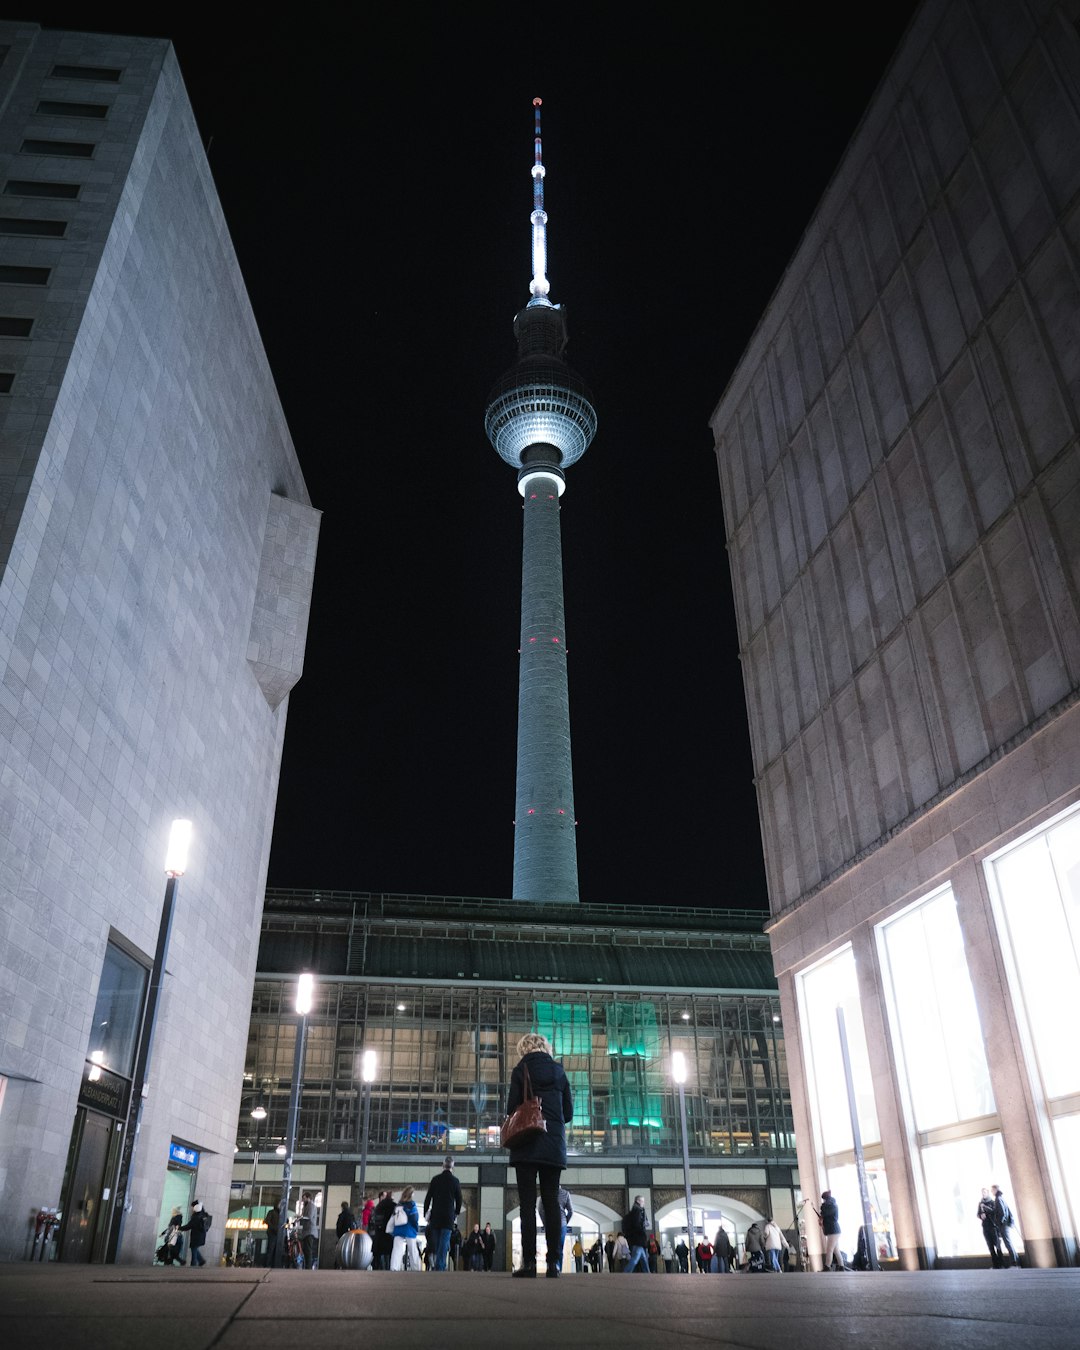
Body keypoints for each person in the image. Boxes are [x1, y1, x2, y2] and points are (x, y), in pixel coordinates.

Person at [505, 1032, 573, 1278]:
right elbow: (568, 1112)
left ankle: (530, 1264)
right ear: (546, 1047)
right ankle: (554, 1264)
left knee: (526, 1205)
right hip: (553, 1144)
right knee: (552, 1201)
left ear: (524, 1049)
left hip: (526, 1143)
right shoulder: (559, 1071)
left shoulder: (520, 1070)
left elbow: (512, 1108)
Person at [423, 1155, 463, 1272]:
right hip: (448, 1217)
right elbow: (459, 1199)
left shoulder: (435, 1179)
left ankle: (438, 1264)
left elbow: (428, 1197)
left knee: (437, 1241)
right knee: (444, 1242)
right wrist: (456, 1212)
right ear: (452, 1166)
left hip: (435, 1217)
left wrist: (426, 1212)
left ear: (443, 1165)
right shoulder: (455, 1181)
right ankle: (440, 1266)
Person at [538, 1185, 573, 1271]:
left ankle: (551, 1267)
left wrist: (545, 1222)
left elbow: (540, 1209)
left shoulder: (545, 1193)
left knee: (550, 1246)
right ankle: (558, 1269)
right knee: (559, 1248)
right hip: (562, 1224)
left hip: (550, 1223)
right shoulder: (565, 1194)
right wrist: (565, 1221)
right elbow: (571, 1211)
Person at [389, 1186, 421, 1271]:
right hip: (409, 1229)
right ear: (411, 1194)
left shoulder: (398, 1204)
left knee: (396, 1249)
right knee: (413, 1250)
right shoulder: (412, 1205)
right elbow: (415, 1218)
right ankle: (416, 1268)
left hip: (398, 1229)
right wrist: (416, 1227)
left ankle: (394, 1267)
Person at [621, 1195, 651, 1273]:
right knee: (635, 1259)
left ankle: (647, 1273)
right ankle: (626, 1272)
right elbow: (637, 1225)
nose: (644, 1203)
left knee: (643, 1259)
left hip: (636, 1239)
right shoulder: (638, 1212)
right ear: (638, 1201)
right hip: (638, 1240)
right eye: (642, 1201)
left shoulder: (636, 1212)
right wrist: (643, 1228)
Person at [991, 1185, 1018, 1267]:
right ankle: (1015, 1262)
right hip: (1004, 1224)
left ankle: (1015, 1263)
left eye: (992, 1190)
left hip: (1003, 1225)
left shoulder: (998, 1199)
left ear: (995, 1190)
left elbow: (1002, 1212)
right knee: (1008, 1243)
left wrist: (999, 1222)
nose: (991, 1192)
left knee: (1008, 1243)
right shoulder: (1000, 1198)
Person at [369, 1190, 395, 1270]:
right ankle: (389, 1268)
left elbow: (373, 1220)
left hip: (379, 1233)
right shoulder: (394, 1206)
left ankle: (377, 1268)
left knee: (378, 1253)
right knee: (390, 1254)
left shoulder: (378, 1206)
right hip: (389, 1234)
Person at [180, 1200, 210, 1267]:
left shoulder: (196, 1216)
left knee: (194, 1248)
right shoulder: (203, 1215)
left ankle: (194, 1263)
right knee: (195, 1248)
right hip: (201, 1235)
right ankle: (201, 1260)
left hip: (196, 1235)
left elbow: (189, 1226)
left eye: (192, 1207)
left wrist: (180, 1228)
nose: (191, 1209)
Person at [819, 1191, 842, 1271]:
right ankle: (841, 1266)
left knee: (829, 1249)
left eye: (824, 1199)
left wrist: (822, 1216)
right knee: (836, 1250)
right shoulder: (833, 1205)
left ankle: (827, 1266)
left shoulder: (830, 1206)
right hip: (835, 1230)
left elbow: (824, 1212)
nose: (823, 1201)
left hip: (833, 1230)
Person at [298, 1191, 320, 1269]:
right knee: (306, 1250)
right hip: (307, 1231)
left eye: (304, 1198)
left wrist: (300, 1217)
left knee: (308, 1250)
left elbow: (309, 1217)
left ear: (308, 1198)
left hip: (310, 1231)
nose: (303, 1200)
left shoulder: (311, 1206)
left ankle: (308, 1266)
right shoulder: (306, 1206)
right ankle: (307, 1265)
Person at [263, 1200, 280, 1267]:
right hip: (272, 1233)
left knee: (274, 1249)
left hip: (277, 1233)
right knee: (271, 1249)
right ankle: (268, 1264)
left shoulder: (280, 1213)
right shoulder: (272, 1212)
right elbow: (267, 1221)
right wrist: (273, 1228)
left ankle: (273, 1264)